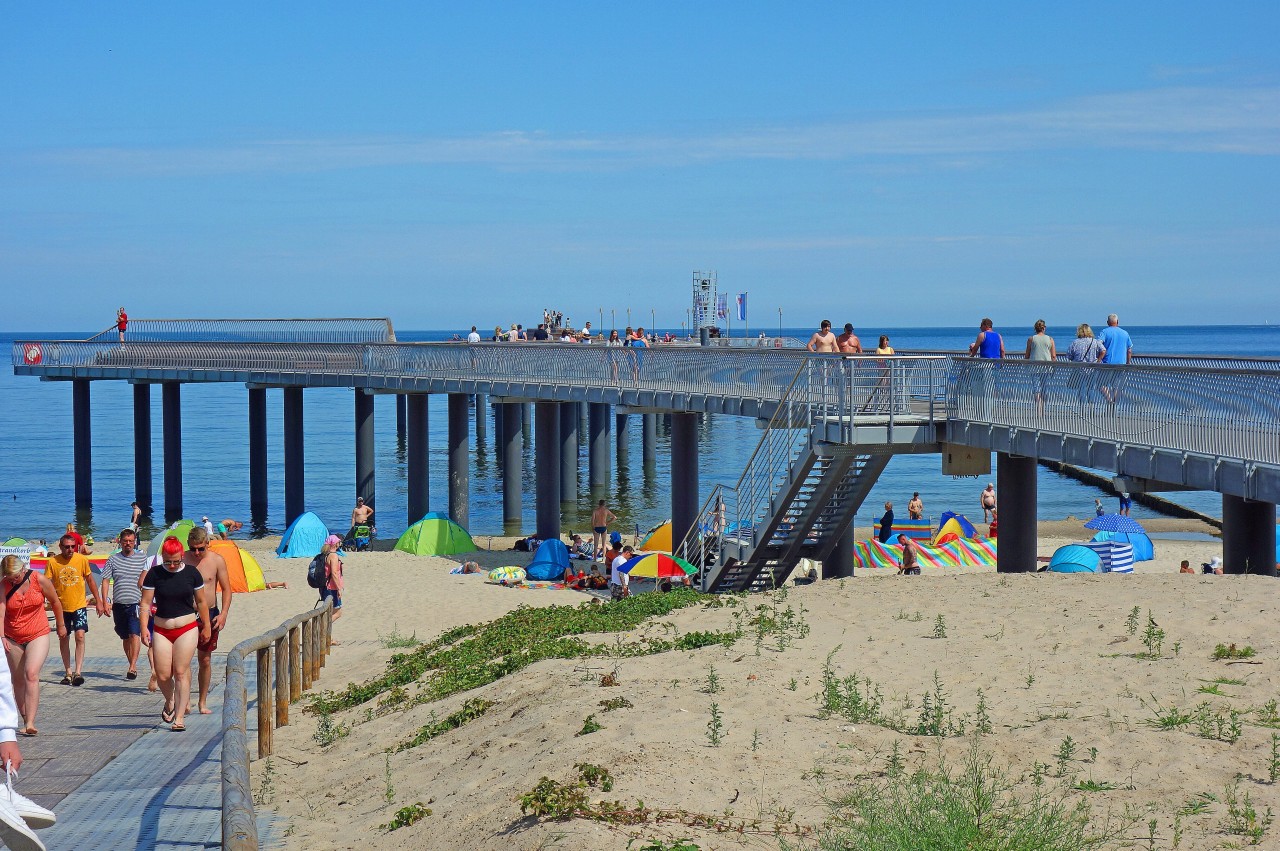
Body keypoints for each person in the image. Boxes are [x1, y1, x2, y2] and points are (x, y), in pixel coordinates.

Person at [141, 537, 210, 732]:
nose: (172, 565)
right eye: (168, 561)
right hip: (161, 628)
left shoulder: (192, 573)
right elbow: (145, 603)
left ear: (182, 556)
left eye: (176, 561)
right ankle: (170, 700)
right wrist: (144, 627)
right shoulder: (154, 574)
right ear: (162, 557)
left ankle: (179, 717)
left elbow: (202, 602)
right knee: (163, 674)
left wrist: (206, 626)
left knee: (180, 671)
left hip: (187, 627)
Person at [2, 554, 66, 735]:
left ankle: (30, 722)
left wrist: (61, 626)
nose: (13, 581)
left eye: (15, 577)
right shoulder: (4, 585)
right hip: (12, 635)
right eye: (9, 578)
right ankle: (24, 717)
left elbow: (55, 602)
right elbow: (1, 613)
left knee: (31, 673)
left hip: (38, 632)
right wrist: (2, 637)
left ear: (23, 569)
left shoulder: (39, 579)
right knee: (18, 679)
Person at [48, 534, 105, 687]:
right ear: (60, 547)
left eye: (73, 546)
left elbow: (90, 581)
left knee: (80, 636)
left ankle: (78, 672)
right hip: (61, 607)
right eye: (67, 547)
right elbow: (47, 584)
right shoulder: (53, 562)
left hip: (79, 605)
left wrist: (98, 601)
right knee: (63, 637)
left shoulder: (82, 560)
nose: (70, 550)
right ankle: (68, 672)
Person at [186, 527, 231, 715]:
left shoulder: (216, 561)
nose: (196, 553)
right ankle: (184, 700)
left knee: (204, 659)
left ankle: (202, 702)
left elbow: (227, 589)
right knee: (183, 660)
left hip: (210, 614)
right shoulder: (182, 560)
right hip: (186, 613)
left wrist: (223, 614)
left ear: (207, 544)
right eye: (193, 549)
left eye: (200, 549)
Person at [100, 528, 148, 681]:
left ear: (135, 542)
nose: (128, 544)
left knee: (135, 634)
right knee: (125, 637)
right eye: (125, 541)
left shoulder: (142, 558)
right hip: (119, 604)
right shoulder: (113, 559)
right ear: (120, 542)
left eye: (131, 541)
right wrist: (105, 600)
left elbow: (149, 578)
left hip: (136, 603)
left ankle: (132, 667)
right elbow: (106, 580)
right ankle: (131, 664)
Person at [1024, 320, 1057, 415]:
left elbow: (1027, 355)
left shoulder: (1031, 339)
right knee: (1045, 388)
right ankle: (1044, 408)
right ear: (1044, 328)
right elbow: (1053, 356)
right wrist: (1054, 367)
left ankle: (1038, 409)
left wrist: (1025, 365)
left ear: (1035, 328)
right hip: (1047, 367)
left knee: (1036, 388)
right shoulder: (1050, 339)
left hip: (1034, 367)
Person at [319, 535, 345, 622]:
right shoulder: (333, 556)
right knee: (337, 612)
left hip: (326, 586)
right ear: (335, 544)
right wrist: (339, 588)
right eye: (338, 542)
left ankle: (324, 631)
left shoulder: (326, 554)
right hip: (332, 587)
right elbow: (334, 573)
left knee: (330, 611)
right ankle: (323, 629)